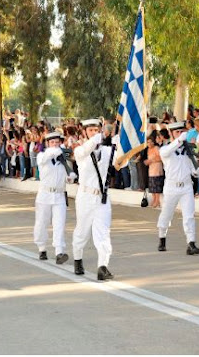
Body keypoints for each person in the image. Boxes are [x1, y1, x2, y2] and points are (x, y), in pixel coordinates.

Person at [72, 118, 118, 281]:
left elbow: (120, 162)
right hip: (85, 196)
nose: (94, 133)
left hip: (102, 197)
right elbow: (87, 149)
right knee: (82, 230)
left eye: (96, 130)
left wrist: (124, 151)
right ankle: (78, 259)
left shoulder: (107, 150)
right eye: (90, 130)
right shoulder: (80, 150)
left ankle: (102, 266)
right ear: (84, 132)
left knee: (103, 232)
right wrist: (101, 136)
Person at [156, 121, 199, 254]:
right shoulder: (165, 149)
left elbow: (190, 166)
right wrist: (178, 141)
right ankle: (162, 238)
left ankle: (191, 243)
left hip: (186, 187)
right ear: (171, 134)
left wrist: (195, 172)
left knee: (189, 216)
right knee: (166, 214)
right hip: (171, 187)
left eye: (182, 132)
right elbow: (166, 152)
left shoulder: (188, 149)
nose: (180, 134)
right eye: (177, 132)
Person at [34, 131, 75, 263]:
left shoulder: (63, 159)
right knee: (42, 222)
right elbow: (47, 156)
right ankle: (42, 248)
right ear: (47, 143)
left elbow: (69, 171)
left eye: (57, 142)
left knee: (59, 224)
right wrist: (60, 151)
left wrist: (70, 177)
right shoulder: (42, 155)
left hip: (59, 195)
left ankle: (59, 252)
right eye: (52, 142)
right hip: (45, 195)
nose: (55, 145)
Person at [145, 132, 164, 208]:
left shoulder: (156, 148)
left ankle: (157, 201)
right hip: (151, 170)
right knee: (152, 187)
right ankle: (154, 200)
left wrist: (151, 161)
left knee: (157, 187)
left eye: (150, 142)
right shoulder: (148, 150)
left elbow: (161, 158)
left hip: (157, 170)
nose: (148, 144)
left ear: (153, 142)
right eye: (147, 142)